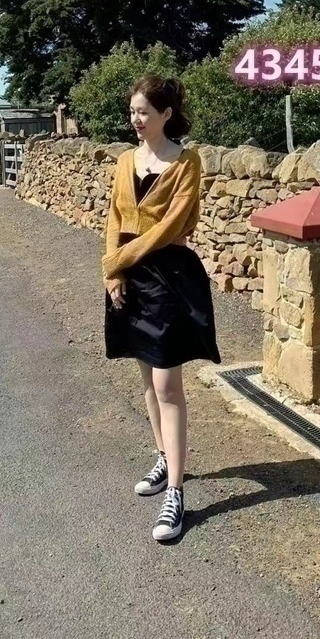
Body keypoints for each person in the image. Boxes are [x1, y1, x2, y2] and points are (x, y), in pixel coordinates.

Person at [101, 75, 221, 542]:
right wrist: (112, 273)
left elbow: (171, 227)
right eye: (132, 111)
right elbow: (114, 217)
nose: (136, 119)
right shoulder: (124, 161)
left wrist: (119, 261)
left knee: (169, 384)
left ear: (166, 114)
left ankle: (175, 492)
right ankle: (164, 457)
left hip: (169, 276)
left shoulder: (186, 162)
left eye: (144, 112)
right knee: (147, 378)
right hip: (129, 279)